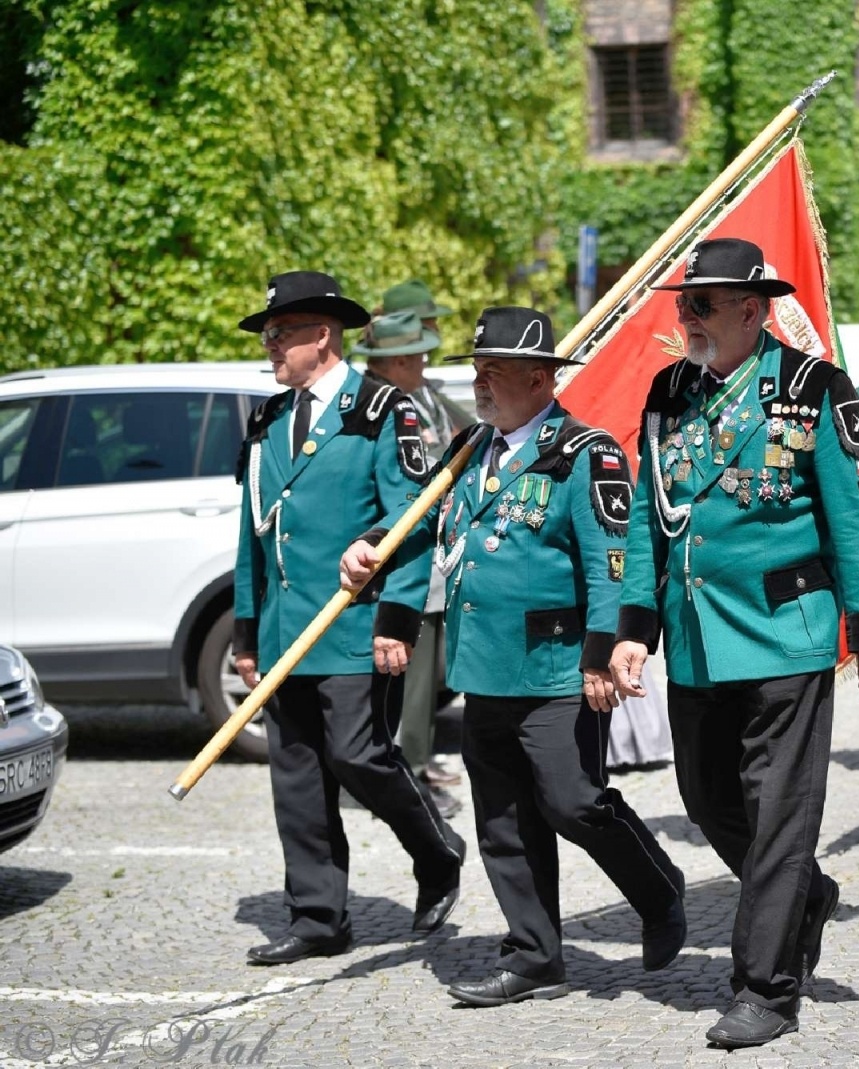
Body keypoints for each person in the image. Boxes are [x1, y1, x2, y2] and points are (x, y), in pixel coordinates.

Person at [342, 306, 687, 1007]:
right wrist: (375, 547)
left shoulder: (584, 452)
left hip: (558, 668)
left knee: (573, 802)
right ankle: (535, 954)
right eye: (476, 370)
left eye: (495, 371)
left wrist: (601, 654)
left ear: (539, 378)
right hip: (485, 667)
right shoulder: (470, 447)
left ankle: (658, 888)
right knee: (501, 819)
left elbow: (611, 561)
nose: (481, 383)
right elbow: (418, 517)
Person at [608, 238, 859, 1049]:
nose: (686, 317)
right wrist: (635, 625)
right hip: (699, 636)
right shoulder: (669, 389)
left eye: (701, 304)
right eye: (683, 303)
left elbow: (857, 518)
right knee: (708, 799)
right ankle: (803, 895)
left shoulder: (813, 389)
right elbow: (648, 512)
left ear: (752, 308)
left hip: (785, 633)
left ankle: (765, 988)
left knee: (777, 813)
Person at [232, 271, 465, 966]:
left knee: (358, 753)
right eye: (269, 334)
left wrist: (397, 619)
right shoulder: (267, 420)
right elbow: (252, 532)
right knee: (297, 770)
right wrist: (248, 632)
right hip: (284, 632)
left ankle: (438, 850)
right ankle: (317, 916)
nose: (270, 345)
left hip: (353, 623)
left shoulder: (384, 410)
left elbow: (413, 519)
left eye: (281, 333)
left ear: (323, 336)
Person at [355, 309, 469, 817]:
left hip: (429, 556)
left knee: (425, 680)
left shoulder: (412, 398)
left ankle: (414, 769)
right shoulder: (381, 408)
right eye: (416, 351)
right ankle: (405, 776)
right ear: (395, 360)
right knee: (408, 679)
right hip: (397, 566)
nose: (425, 358)